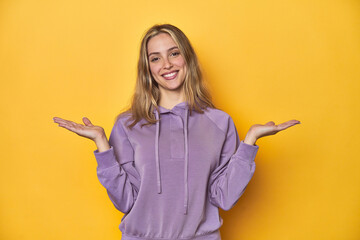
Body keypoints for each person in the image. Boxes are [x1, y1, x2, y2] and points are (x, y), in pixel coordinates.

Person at [53, 24, 300, 240]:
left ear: (187, 58)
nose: (167, 64)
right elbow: (125, 201)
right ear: (147, 68)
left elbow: (224, 197)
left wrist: (249, 143)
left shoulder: (219, 122)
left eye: (174, 53)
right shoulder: (128, 124)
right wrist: (102, 145)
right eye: (156, 58)